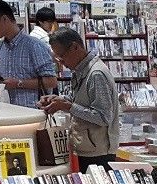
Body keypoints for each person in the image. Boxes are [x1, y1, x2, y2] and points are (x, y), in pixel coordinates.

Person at [39, 27, 119, 170]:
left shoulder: (96, 74)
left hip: (99, 152)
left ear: (75, 47)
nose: (61, 63)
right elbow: (81, 99)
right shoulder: (80, 70)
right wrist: (58, 99)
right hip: (87, 147)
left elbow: (103, 116)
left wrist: (68, 107)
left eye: (62, 57)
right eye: (57, 58)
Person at [0, 0, 56, 108]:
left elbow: (51, 81)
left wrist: (19, 83)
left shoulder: (34, 46)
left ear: (4, 19)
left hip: (33, 113)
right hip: (8, 113)